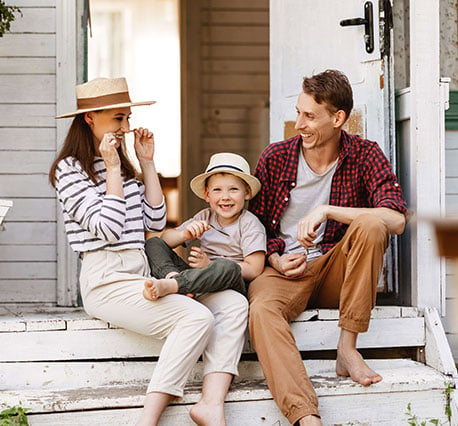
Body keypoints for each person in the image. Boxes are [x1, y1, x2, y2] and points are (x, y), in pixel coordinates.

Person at [49, 77, 249, 426]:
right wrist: (112, 168)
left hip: (141, 272)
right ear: (89, 118)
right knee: (197, 317)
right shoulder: (69, 170)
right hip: (106, 279)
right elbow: (108, 229)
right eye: (117, 119)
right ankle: (148, 420)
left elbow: (154, 220)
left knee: (234, 303)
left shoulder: (123, 167)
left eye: (127, 118)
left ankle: (211, 402)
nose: (126, 128)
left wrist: (147, 163)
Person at [248, 69, 408, 426]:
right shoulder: (275, 157)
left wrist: (327, 210)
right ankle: (306, 416)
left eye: (309, 116)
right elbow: (253, 225)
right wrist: (274, 256)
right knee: (260, 311)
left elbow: (396, 219)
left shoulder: (365, 154)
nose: (299, 123)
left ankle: (347, 348)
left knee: (371, 223)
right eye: (298, 112)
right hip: (283, 272)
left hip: (336, 270)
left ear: (338, 119)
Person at [143, 152, 266, 300]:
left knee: (227, 266)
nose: (225, 197)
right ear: (207, 195)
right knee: (153, 244)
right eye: (217, 190)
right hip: (197, 278)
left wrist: (209, 265)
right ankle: (173, 278)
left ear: (247, 193)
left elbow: (254, 268)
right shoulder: (205, 217)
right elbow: (165, 239)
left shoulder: (250, 224)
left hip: (230, 281)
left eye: (233, 189)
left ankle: (176, 285)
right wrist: (185, 234)